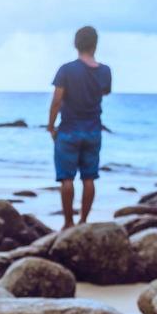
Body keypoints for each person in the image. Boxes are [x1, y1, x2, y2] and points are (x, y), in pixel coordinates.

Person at [46, 26, 111, 228]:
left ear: (76, 44)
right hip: (93, 129)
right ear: (95, 44)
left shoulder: (66, 70)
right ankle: (83, 220)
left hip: (68, 129)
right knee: (89, 177)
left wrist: (50, 126)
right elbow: (105, 92)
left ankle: (68, 222)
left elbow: (57, 100)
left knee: (67, 178)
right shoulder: (105, 71)